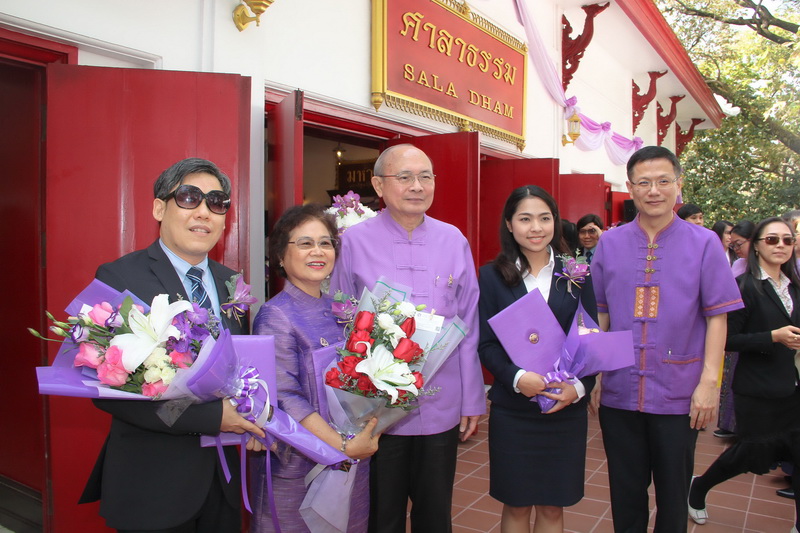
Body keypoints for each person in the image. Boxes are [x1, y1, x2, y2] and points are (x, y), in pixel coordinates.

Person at [79, 157, 267, 532]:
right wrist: (211, 418)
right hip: (153, 484)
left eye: (217, 203)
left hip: (224, 482)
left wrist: (254, 415)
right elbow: (105, 390)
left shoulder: (232, 284)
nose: (204, 212)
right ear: (159, 208)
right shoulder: (119, 277)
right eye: (189, 198)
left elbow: (240, 371)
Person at [329, 143, 485, 533]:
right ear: (378, 185)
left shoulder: (453, 240)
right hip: (375, 409)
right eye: (405, 177)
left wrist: (472, 397)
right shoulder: (354, 241)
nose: (417, 186)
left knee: (435, 513)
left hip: (441, 402)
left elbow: (469, 323)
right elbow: (338, 318)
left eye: (425, 177)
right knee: (381, 515)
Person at [590, 146, 743, 532]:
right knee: (625, 492)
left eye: (663, 181)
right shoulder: (610, 243)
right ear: (630, 188)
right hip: (620, 389)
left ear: (679, 184)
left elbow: (718, 317)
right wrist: (596, 372)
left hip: (679, 391)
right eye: (643, 183)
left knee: (673, 495)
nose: (654, 190)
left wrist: (709, 383)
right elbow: (602, 314)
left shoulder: (704, 242)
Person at [249, 204, 379, 532]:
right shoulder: (276, 315)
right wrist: (342, 445)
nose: (318, 251)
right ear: (280, 255)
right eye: (305, 243)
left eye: (325, 243)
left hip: (349, 461)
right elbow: (284, 397)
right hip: (298, 465)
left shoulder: (340, 310)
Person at [478, 186, 597, 533]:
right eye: (525, 219)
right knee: (515, 505)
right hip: (514, 410)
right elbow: (486, 344)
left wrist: (578, 388)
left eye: (545, 218)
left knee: (552, 507)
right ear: (509, 224)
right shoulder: (491, 276)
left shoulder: (577, 273)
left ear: (555, 222)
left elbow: (591, 340)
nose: (536, 228)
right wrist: (517, 378)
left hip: (564, 410)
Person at [688, 217, 800, 533]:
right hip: (758, 388)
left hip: (793, 386)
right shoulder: (745, 287)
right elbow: (728, 340)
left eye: (787, 240)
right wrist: (772, 337)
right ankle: (699, 486)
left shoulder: (794, 286)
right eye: (772, 239)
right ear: (757, 246)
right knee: (751, 453)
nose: (781, 246)